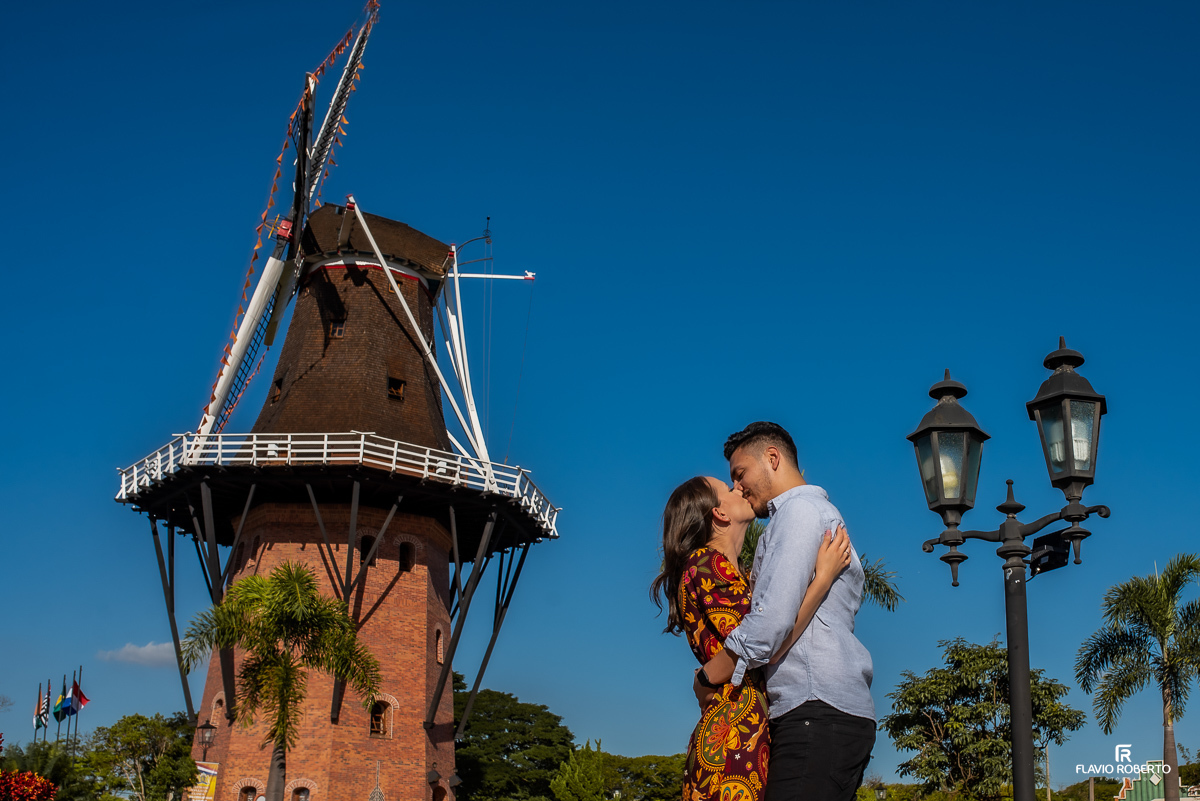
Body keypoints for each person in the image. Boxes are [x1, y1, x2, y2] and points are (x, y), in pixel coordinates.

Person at [694, 422, 876, 801]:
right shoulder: (808, 513)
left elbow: (769, 626)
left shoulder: (798, 513)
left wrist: (709, 677)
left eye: (740, 474)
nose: (739, 487)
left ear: (772, 458)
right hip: (826, 708)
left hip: (815, 705)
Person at [652, 475, 852, 801]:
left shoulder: (730, 572)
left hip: (741, 733)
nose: (740, 488)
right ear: (720, 514)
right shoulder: (707, 564)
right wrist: (823, 579)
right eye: (729, 490)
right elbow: (765, 640)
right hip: (731, 739)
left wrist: (705, 677)